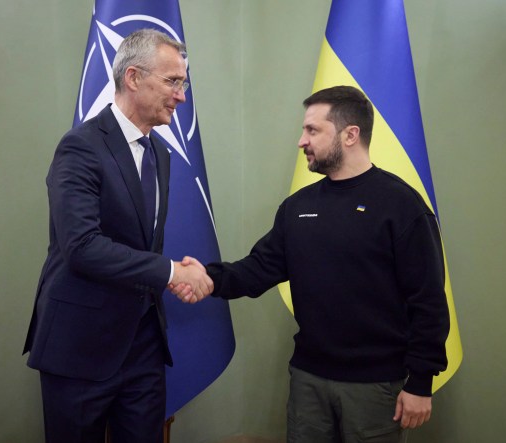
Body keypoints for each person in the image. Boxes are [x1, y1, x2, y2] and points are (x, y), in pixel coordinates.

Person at [174, 86, 449, 442]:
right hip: (308, 380)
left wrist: (421, 381)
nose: (301, 141)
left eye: (312, 130)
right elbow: (257, 270)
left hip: (375, 385)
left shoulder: (401, 206)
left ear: (351, 135)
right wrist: (206, 277)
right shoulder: (297, 206)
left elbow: (427, 300)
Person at [23, 29, 213, 443]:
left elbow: (141, 242)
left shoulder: (161, 153)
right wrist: (170, 273)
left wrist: (172, 273)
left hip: (143, 345)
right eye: (172, 81)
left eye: (183, 83)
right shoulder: (80, 147)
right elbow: (82, 247)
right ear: (132, 77)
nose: (181, 95)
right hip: (80, 346)